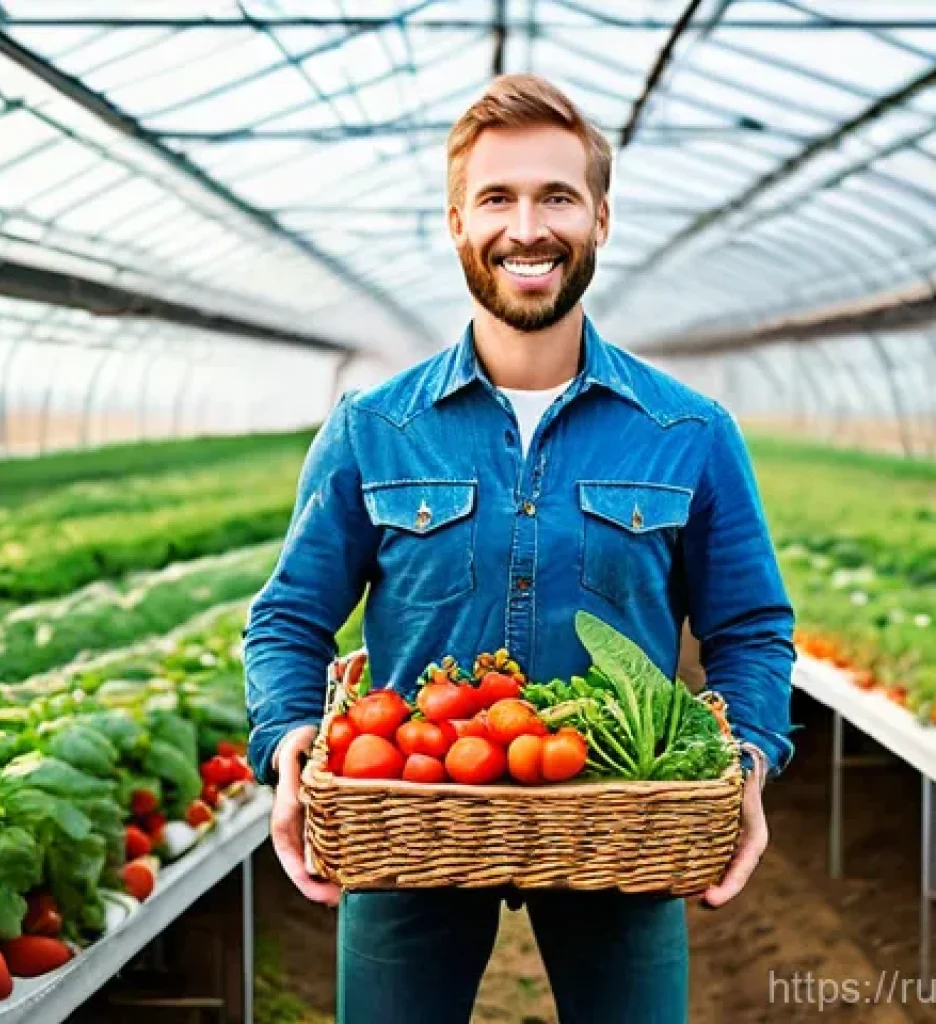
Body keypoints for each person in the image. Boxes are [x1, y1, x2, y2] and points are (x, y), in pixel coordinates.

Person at [244, 73, 794, 1024]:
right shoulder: (374, 428)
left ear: (601, 219)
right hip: (408, 813)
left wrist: (745, 756)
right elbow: (289, 619)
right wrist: (293, 741)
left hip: (622, 822)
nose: (528, 228)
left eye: (557, 197)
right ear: (457, 221)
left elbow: (750, 628)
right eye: (497, 197)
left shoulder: (689, 430)